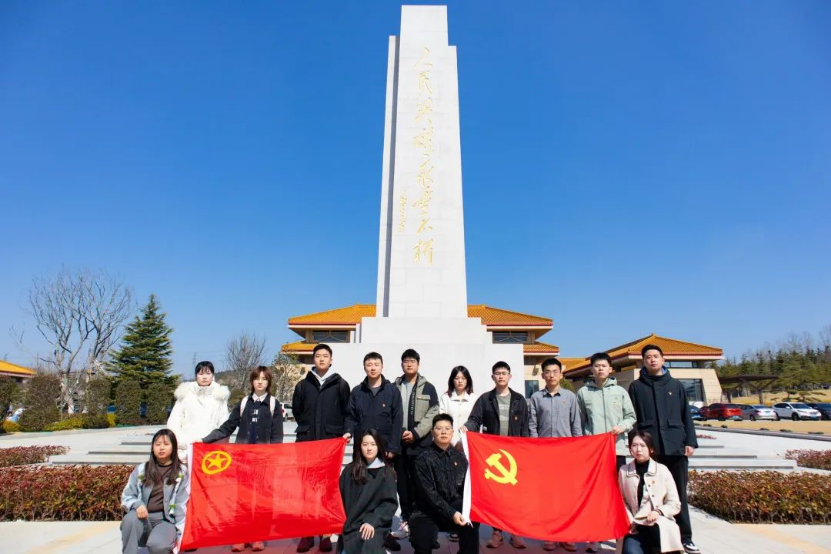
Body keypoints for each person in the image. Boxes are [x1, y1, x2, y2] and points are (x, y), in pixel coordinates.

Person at [202, 366, 284, 552]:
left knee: (262, 500)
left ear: (269, 382)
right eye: (257, 378)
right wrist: (205, 440)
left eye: (264, 379)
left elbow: (277, 436)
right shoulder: (244, 403)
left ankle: (258, 536)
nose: (260, 382)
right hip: (243, 461)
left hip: (264, 463)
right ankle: (241, 536)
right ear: (252, 381)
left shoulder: (273, 404)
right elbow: (227, 427)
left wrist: (272, 460)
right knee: (242, 499)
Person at [628, 344, 699, 554]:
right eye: (648, 357)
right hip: (651, 449)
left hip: (675, 447)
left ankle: (685, 537)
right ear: (643, 361)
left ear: (663, 359)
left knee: (678, 493)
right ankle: (649, 536)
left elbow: (686, 415)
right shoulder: (636, 387)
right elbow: (633, 418)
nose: (652, 360)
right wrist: (636, 445)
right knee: (647, 494)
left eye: (655, 356)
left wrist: (690, 441)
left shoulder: (675, 385)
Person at [463, 361, 529, 549]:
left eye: (504, 373)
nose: (501, 376)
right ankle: (497, 532)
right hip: (494, 455)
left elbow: (525, 426)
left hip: (515, 454)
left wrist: (527, 450)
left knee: (516, 496)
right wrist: (467, 427)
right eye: (497, 373)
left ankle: (516, 532)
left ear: (510, 376)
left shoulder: (519, 400)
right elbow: (475, 419)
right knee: (496, 496)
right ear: (492, 377)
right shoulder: (485, 399)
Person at [293, 344, 351, 553]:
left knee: (327, 490)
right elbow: (298, 411)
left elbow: (347, 412)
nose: (322, 359)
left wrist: (345, 432)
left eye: (325, 356)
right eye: (318, 356)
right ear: (313, 359)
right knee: (306, 490)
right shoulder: (303, 385)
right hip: (307, 443)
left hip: (329, 445)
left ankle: (325, 534)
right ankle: (307, 534)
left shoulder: (340, 384)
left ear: (331, 360)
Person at [577, 352, 637, 553]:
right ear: (592, 369)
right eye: (596, 366)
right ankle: (594, 536)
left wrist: (622, 427)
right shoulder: (583, 393)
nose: (600, 369)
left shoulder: (620, 392)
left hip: (616, 449)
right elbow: (580, 421)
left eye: (604, 366)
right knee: (595, 494)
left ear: (610, 369)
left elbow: (631, 417)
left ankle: (620, 534)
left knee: (618, 494)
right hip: (594, 453)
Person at [343, 352, 404, 552]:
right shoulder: (357, 391)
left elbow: (397, 419)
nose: (372, 367)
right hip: (362, 450)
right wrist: (348, 431)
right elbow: (350, 416)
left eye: (376, 364)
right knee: (361, 490)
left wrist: (393, 447)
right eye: (369, 364)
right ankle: (358, 525)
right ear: (364, 367)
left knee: (385, 491)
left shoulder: (392, 391)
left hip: (384, 451)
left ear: (382, 366)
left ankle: (384, 533)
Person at [528, 358, 582, 552]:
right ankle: (550, 535)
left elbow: (576, 425)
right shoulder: (536, 398)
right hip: (544, 454)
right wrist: (536, 449)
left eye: (555, 371)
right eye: (548, 372)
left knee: (567, 496)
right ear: (542, 375)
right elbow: (532, 426)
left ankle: (567, 535)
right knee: (548, 496)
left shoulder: (570, 397)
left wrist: (578, 450)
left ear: (561, 374)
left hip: (566, 454)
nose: (551, 375)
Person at [410, 414, 479, 554]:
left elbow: (466, 489)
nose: (443, 432)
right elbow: (430, 495)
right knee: (422, 542)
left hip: (453, 506)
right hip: (427, 511)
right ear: (432, 432)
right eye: (439, 428)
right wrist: (452, 513)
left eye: (447, 428)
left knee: (471, 513)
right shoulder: (422, 459)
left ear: (452, 432)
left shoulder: (460, 458)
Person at [391, 349, 439, 543]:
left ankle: (427, 527)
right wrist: (398, 433)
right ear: (401, 364)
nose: (409, 364)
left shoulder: (428, 388)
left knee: (423, 486)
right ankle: (406, 521)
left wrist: (417, 433)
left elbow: (433, 412)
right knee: (403, 486)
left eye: (412, 361)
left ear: (418, 364)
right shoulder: (393, 386)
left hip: (421, 445)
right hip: (400, 445)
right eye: (406, 361)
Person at [121, 429, 189, 554]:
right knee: (129, 520)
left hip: (166, 521)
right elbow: (127, 495)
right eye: (157, 444)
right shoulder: (142, 469)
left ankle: (163, 541)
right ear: (152, 448)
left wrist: (182, 534)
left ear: (174, 447)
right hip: (142, 517)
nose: (161, 448)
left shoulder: (181, 472)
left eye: (166, 444)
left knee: (157, 546)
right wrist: (138, 505)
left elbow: (182, 505)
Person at [618, 430, 683, 554]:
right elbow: (621, 501)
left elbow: (674, 503)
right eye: (634, 445)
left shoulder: (662, 470)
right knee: (630, 551)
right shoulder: (624, 471)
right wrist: (629, 519)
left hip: (659, 526)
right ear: (630, 449)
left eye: (643, 446)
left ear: (651, 449)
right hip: (635, 527)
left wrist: (659, 511)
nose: (638, 449)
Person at [338, 429, 399, 554]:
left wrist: (373, 521)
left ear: (379, 446)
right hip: (350, 523)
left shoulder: (386, 473)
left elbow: (389, 504)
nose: (369, 448)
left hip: (372, 524)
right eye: (365, 444)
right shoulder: (349, 471)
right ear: (359, 447)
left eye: (373, 444)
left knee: (368, 544)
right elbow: (339, 496)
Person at [167, 360, 230, 462]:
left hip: (211, 450)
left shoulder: (219, 397)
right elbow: (174, 421)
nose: (204, 377)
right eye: (201, 374)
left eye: (208, 373)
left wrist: (216, 444)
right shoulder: (185, 394)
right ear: (196, 376)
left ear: (213, 375)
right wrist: (181, 442)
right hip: (186, 449)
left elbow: (224, 424)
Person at [438, 366, 479, 450]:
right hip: (448, 444)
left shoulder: (474, 398)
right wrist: (451, 442)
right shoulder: (445, 398)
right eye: (457, 378)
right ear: (452, 380)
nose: (460, 381)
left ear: (467, 380)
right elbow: (442, 422)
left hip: (469, 444)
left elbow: (476, 422)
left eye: (463, 378)